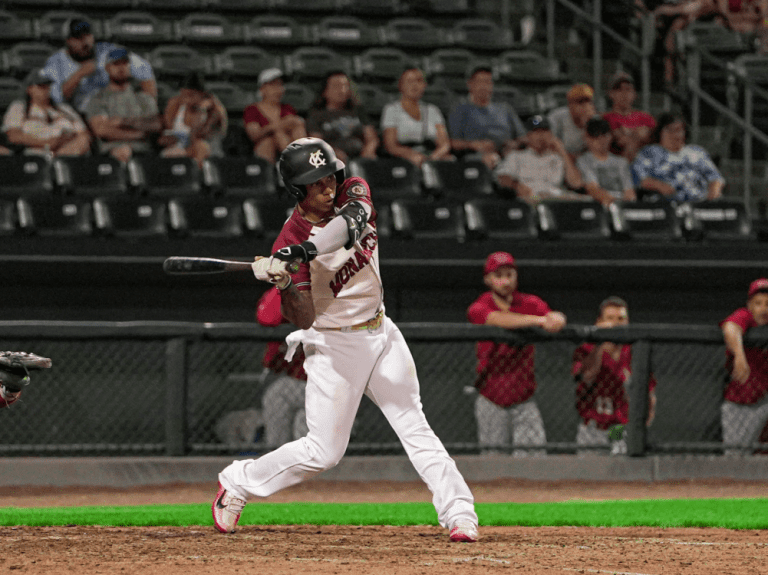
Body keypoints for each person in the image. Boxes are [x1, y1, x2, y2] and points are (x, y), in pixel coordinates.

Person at [212, 137, 479, 543]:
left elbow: (351, 223)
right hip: (335, 346)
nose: (327, 187)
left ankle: (459, 514)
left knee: (415, 425)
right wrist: (284, 280)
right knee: (323, 453)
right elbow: (304, 317)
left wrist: (302, 252)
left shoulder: (352, 191)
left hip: (381, 331)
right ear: (297, 190)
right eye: (316, 182)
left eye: (328, 177)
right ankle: (237, 482)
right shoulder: (288, 238)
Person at [466, 251, 567, 456]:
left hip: (524, 398)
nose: (505, 281)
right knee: (494, 463)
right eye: (499, 275)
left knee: (534, 461)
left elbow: (555, 318)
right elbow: (498, 319)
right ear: (488, 279)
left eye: (509, 275)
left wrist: (557, 319)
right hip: (490, 397)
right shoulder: (480, 306)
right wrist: (538, 320)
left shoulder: (529, 303)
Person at [572, 297, 657, 455]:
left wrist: (641, 427)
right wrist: (599, 340)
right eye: (610, 319)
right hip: (594, 427)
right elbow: (588, 377)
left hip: (621, 428)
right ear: (599, 322)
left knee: (623, 475)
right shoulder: (587, 349)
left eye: (621, 319)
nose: (615, 324)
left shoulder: (635, 352)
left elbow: (650, 396)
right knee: (589, 477)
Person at [43, 18, 156, 114]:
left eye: (87, 35)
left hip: (113, 109)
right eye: (78, 38)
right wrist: (79, 74)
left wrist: (149, 105)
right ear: (68, 41)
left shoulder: (108, 51)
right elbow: (57, 99)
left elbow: (144, 69)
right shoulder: (56, 62)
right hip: (78, 114)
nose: (85, 42)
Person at [85, 47, 163, 163]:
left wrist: (122, 122)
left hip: (144, 150)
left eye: (125, 63)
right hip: (112, 150)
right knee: (123, 152)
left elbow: (156, 125)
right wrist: (139, 133)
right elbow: (102, 130)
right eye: (116, 64)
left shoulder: (143, 97)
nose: (121, 68)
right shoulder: (98, 99)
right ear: (108, 68)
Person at [719, 278, 768, 455]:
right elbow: (731, 327)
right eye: (758, 303)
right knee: (735, 457)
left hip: (765, 400)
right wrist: (739, 355)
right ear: (750, 305)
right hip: (741, 402)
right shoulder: (745, 316)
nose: (764, 309)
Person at [256, 286, 308, 449]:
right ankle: (278, 461)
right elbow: (267, 317)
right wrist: (283, 283)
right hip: (302, 385)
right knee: (301, 418)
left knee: (278, 395)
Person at [631, 112, 724, 202]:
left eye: (679, 130)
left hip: (698, 203)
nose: (675, 134)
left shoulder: (697, 152)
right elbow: (638, 178)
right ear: (660, 132)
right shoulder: (649, 152)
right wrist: (659, 185)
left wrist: (713, 193)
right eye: (670, 130)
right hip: (664, 203)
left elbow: (716, 178)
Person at [447, 64, 526, 170]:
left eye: (488, 82)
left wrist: (514, 144)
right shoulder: (460, 109)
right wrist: (473, 145)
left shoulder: (505, 109)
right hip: (476, 157)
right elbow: (452, 143)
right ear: (470, 84)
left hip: (507, 154)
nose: (484, 86)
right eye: (480, 82)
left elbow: (523, 137)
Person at [495, 115, 585, 203]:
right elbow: (503, 178)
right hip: (530, 198)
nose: (541, 135)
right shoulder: (516, 156)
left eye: (544, 131)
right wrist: (516, 186)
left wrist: (562, 151)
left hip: (555, 199)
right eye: (536, 132)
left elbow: (576, 183)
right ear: (528, 136)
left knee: (585, 202)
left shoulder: (558, 158)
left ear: (551, 134)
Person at [1, 68, 90, 157]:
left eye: (48, 85)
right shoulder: (19, 107)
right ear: (29, 89)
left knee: (83, 141)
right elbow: (13, 136)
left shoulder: (64, 109)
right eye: (40, 86)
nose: (46, 89)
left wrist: (62, 140)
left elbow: (83, 134)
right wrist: (46, 143)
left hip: (64, 153)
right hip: (32, 154)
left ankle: (55, 162)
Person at [380, 66, 453, 167]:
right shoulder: (392, 110)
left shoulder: (433, 110)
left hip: (430, 155)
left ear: (424, 85)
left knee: (450, 161)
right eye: (409, 81)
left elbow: (444, 143)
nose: (414, 85)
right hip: (404, 157)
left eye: (419, 81)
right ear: (400, 85)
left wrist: (433, 157)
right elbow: (391, 145)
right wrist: (411, 155)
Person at [306, 71, 379, 163]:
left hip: (360, 157)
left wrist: (368, 150)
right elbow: (318, 144)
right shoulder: (316, 115)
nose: (342, 90)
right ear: (325, 91)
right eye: (336, 86)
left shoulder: (358, 111)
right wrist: (333, 153)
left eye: (345, 86)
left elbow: (371, 138)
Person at [160, 72, 228, 167]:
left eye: (191, 95)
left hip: (208, 150)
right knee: (169, 154)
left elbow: (199, 135)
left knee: (200, 147)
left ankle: (195, 179)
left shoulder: (214, 109)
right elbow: (164, 136)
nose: (186, 99)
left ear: (202, 94)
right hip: (179, 147)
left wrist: (201, 111)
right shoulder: (174, 104)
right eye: (184, 95)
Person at [243, 68, 306, 164]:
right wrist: (277, 126)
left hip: (287, 143)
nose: (278, 89)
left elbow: (297, 126)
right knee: (270, 140)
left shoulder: (287, 109)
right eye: (273, 85)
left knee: (293, 130)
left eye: (280, 85)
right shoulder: (252, 110)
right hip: (264, 149)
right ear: (262, 89)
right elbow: (254, 134)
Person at [577, 117, 636, 206]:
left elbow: (629, 192)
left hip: (622, 206)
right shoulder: (583, 161)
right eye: (595, 135)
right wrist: (612, 203)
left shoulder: (621, 162)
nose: (601, 139)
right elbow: (593, 189)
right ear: (587, 138)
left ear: (610, 136)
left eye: (604, 134)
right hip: (599, 206)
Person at [603, 72, 656, 162]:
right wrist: (638, 134)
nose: (624, 93)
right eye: (619, 89)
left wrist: (628, 133)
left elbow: (657, 139)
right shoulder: (605, 118)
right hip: (616, 163)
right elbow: (620, 141)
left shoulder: (645, 117)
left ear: (634, 94)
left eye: (628, 89)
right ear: (610, 94)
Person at [547, 83, 596, 159]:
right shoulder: (556, 117)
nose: (585, 106)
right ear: (570, 105)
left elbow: (597, 153)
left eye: (588, 101)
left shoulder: (595, 120)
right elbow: (548, 147)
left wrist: (588, 126)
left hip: (584, 164)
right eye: (580, 102)